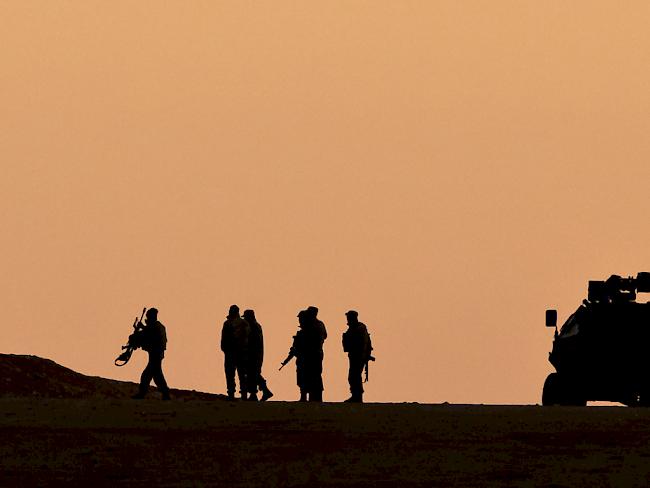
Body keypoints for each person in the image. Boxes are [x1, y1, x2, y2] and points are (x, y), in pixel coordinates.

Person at [132, 308, 171, 400]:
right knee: (156, 375)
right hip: (156, 355)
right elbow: (147, 333)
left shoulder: (156, 327)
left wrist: (141, 329)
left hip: (156, 355)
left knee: (149, 375)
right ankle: (165, 394)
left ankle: (144, 394)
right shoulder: (157, 326)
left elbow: (148, 335)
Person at [242, 309, 273, 401]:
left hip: (253, 355)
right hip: (255, 354)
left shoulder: (253, 327)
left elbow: (252, 342)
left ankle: (254, 394)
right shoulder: (256, 326)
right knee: (254, 374)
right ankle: (262, 391)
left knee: (252, 373)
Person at [221, 304, 250, 400]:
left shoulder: (228, 323)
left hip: (231, 353)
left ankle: (231, 394)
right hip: (241, 353)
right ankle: (243, 394)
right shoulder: (244, 323)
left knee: (230, 374)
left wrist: (225, 350)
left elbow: (223, 340)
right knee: (242, 374)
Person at [342, 310, 372, 403]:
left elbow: (361, 344)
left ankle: (357, 396)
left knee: (354, 376)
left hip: (358, 356)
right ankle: (355, 395)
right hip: (355, 356)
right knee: (353, 376)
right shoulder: (355, 328)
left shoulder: (359, 329)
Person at [304, 306, 327, 402]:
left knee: (314, 375)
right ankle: (315, 396)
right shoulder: (320, 324)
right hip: (317, 352)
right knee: (315, 374)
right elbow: (325, 335)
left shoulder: (314, 325)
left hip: (314, 353)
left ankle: (316, 396)